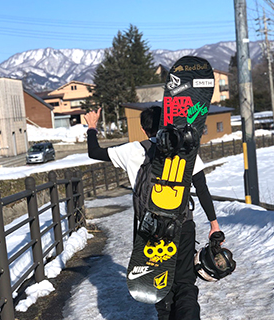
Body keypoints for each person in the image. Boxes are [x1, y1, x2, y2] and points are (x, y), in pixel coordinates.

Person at [84, 106, 221, 320]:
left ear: (143, 128)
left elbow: (94, 152)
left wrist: (92, 127)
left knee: (159, 283)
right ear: (166, 124)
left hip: (151, 231)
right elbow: (202, 188)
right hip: (183, 225)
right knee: (184, 282)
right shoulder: (185, 150)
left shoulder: (132, 151)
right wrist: (214, 224)